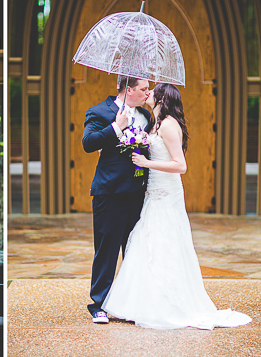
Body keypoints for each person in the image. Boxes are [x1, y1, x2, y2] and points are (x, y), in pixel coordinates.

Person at [102, 83, 252, 329]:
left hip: (166, 192)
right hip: (152, 190)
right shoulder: (155, 122)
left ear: (162, 98)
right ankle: (141, 303)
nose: (148, 93)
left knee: (164, 241)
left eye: (153, 91)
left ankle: (167, 303)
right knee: (146, 240)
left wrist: (145, 163)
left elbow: (180, 166)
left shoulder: (169, 124)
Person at [82, 75, 154, 323]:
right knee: (107, 249)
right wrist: (116, 127)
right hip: (109, 192)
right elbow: (88, 143)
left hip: (138, 192)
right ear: (128, 89)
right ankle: (98, 304)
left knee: (134, 249)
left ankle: (132, 303)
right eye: (143, 89)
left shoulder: (147, 117)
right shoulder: (99, 112)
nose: (148, 93)